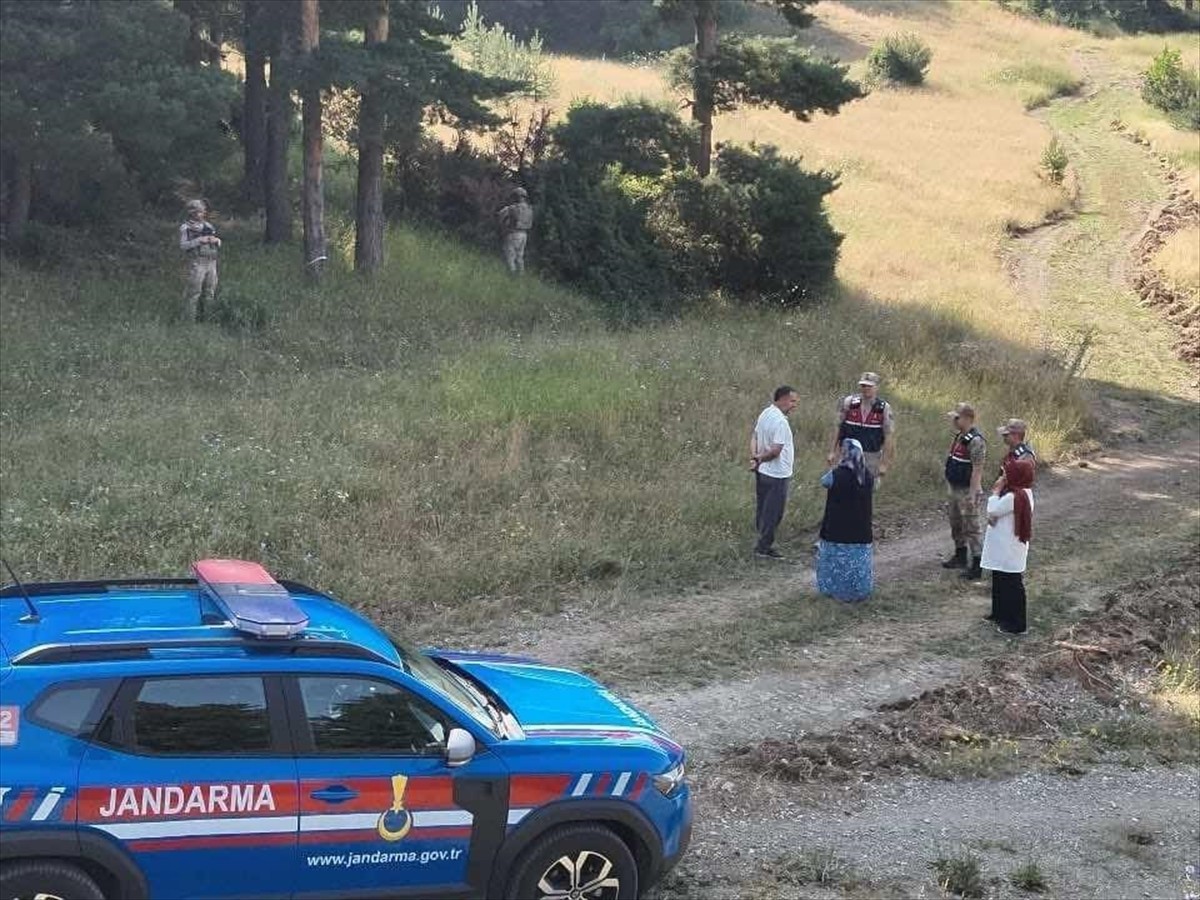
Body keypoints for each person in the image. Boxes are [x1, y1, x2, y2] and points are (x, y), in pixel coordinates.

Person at [816, 438, 875, 602]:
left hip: (836, 530)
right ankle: (858, 591)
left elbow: (824, 481)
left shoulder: (837, 475)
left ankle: (834, 590)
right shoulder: (867, 476)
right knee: (856, 564)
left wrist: (832, 465)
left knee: (835, 562)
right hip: (860, 531)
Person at [982, 456, 1036, 634]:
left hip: (1008, 546)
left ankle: (1017, 624)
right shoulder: (1020, 492)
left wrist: (995, 492)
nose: (1002, 478)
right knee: (999, 580)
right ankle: (999, 614)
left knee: (1011, 584)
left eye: (1006, 475)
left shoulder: (1014, 496)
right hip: (1003, 545)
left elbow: (993, 511)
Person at [750, 385, 798, 560]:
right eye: (792, 401)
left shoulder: (765, 413)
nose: (794, 405)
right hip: (777, 473)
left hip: (762, 471)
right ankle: (764, 548)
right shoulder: (781, 422)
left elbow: (754, 436)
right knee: (774, 512)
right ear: (783, 399)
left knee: (763, 508)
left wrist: (755, 457)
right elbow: (776, 451)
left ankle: (761, 541)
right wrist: (761, 458)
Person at [941, 402, 988, 581]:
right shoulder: (960, 436)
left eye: (957, 417)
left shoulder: (976, 441)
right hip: (954, 487)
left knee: (972, 527)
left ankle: (977, 564)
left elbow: (977, 468)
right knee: (956, 523)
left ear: (967, 419)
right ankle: (960, 555)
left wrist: (974, 492)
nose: (954, 420)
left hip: (967, 490)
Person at [828, 372, 895, 481]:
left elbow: (889, 437)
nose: (866, 389)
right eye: (863, 385)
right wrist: (832, 451)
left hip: (871, 457)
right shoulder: (849, 403)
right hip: (846, 454)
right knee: (843, 488)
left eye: (870, 386)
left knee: (865, 492)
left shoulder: (884, 408)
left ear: (876, 387)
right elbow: (837, 427)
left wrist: (884, 464)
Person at [179, 199, 221, 322]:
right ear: (192, 213)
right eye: (198, 212)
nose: (201, 214)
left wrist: (217, 241)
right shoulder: (185, 228)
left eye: (202, 211)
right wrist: (198, 241)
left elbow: (217, 241)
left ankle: (208, 318)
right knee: (194, 293)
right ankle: (189, 320)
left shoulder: (208, 226)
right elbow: (183, 245)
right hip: (197, 263)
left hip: (212, 262)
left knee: (210, 292)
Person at [992, 418, 1036, 495]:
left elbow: (1025, 481)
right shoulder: (1012, 451)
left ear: (1016, 435)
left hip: (1016, 497)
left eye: (1006, 435)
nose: (1004, 437)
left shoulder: (1025, 455)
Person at [497, 187, 533, 275]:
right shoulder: (529, 208)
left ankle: (511, 276)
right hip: (524, 234)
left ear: (517, 196)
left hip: (513, 234)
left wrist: (503, 225)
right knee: (520, 257)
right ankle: (521, 276)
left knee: (509, 256)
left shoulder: (512, 208)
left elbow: (500, 215)